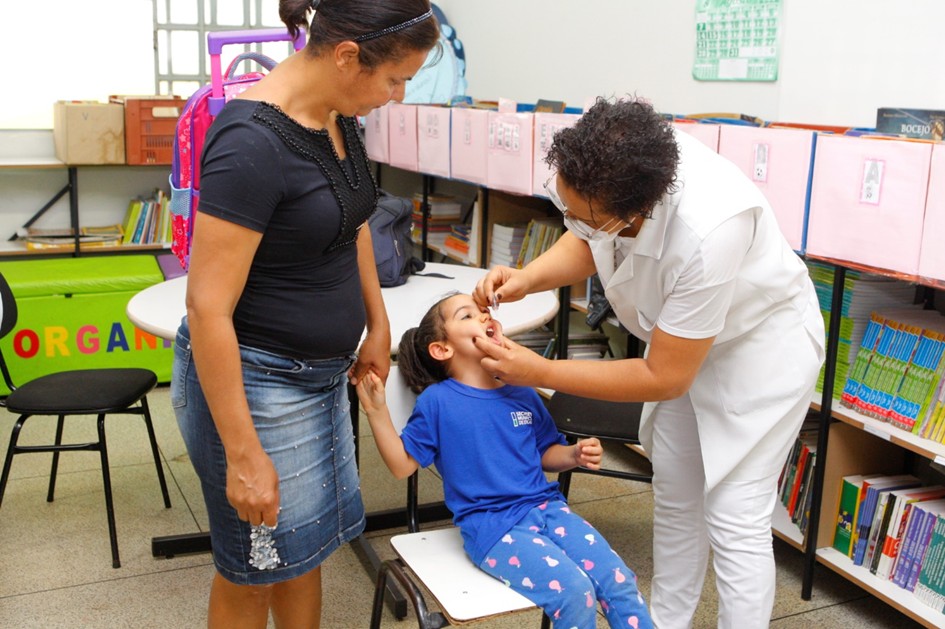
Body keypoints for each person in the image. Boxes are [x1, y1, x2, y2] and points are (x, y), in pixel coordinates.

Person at [471, 97, 826, 628]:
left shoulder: (709, 229)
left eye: (582, 214)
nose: (571, 220)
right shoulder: (623, 167)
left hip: (757, 351)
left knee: (735, 514)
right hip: (682, 342)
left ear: (633, 210)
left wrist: (537, 371)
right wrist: (529, 278)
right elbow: (591, 237)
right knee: (677, 492)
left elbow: (663, 375)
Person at [170, 1, 439, 627]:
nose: (396, 95)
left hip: (320, 377)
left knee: (305, 553)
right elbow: (206, 308)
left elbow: (355, 222)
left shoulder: (341, 117)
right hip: (256, 383)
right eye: (394, 79)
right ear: (348, 56)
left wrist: (378, 322)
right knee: (253, 573)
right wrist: (243, 454)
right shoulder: (251, 142)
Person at [356, 292, 654, 629]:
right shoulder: (438, 402)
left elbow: (544, 453)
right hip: (493, 527)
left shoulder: (522, 391)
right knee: (574, 593)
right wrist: (376, 411)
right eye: (466, 315)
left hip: (548, 509)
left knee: (618, 580)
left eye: (483, 312)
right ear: (442, 349)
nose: (482, 316)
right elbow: (402, 465)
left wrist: (572, 455)